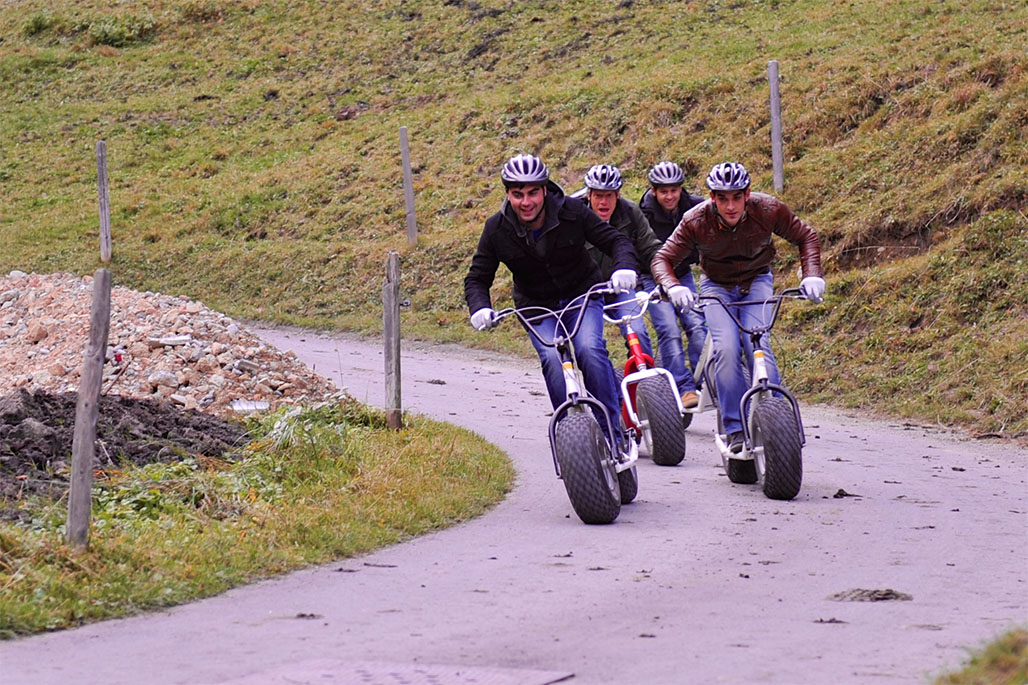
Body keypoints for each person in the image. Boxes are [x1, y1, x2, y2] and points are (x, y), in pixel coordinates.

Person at [464, 154, 638, 448]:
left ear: (545, 190)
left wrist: (623, 267)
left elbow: (616, 241)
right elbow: (477, 277)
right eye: (517, 194)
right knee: (552, 360)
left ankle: (613, 433)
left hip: (581, 295)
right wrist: (479, 307)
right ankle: (571, 437)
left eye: (533, 192)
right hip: (536, 307)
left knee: (589, 349)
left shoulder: (572, 211)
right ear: (508, 194)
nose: (526, 202)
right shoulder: (497, 228)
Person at [650, 161, 826, 453]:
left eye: (736, 197)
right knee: (728, 349)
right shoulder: (696, 219)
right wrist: (674, 286)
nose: (730, 206)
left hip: (757, 280)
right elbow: (662, 259)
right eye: (722, 198)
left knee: (757, 341)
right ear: (712, 197)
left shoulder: (768, 209)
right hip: (716, 286)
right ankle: (733, 428)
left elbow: (806, 236)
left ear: (747, 194)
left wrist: (812, 274)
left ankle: (780, 422)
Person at [581, 163, 700, 408]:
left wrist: (669, 281)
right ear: (588, 195)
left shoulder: (630, 212)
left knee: (639, 335)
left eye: (609, 196)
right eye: (598, 196)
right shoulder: (575, 216)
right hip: (585, 292)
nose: (603, 202)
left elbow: (653, 249)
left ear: (618, 196)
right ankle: (609, 398)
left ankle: (648, 397)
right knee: (591, 347)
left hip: (621, 290)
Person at [639, 161, 708, 380]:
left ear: (681, 189)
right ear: (654, 191)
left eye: (674, 191)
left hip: (682, 275)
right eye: (664, 192)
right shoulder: (643, 214)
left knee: (697, 325)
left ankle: (701, 378)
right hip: (652, 279)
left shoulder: (696, 207)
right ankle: (680, 383)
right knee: (669, 329)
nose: (670, 196)